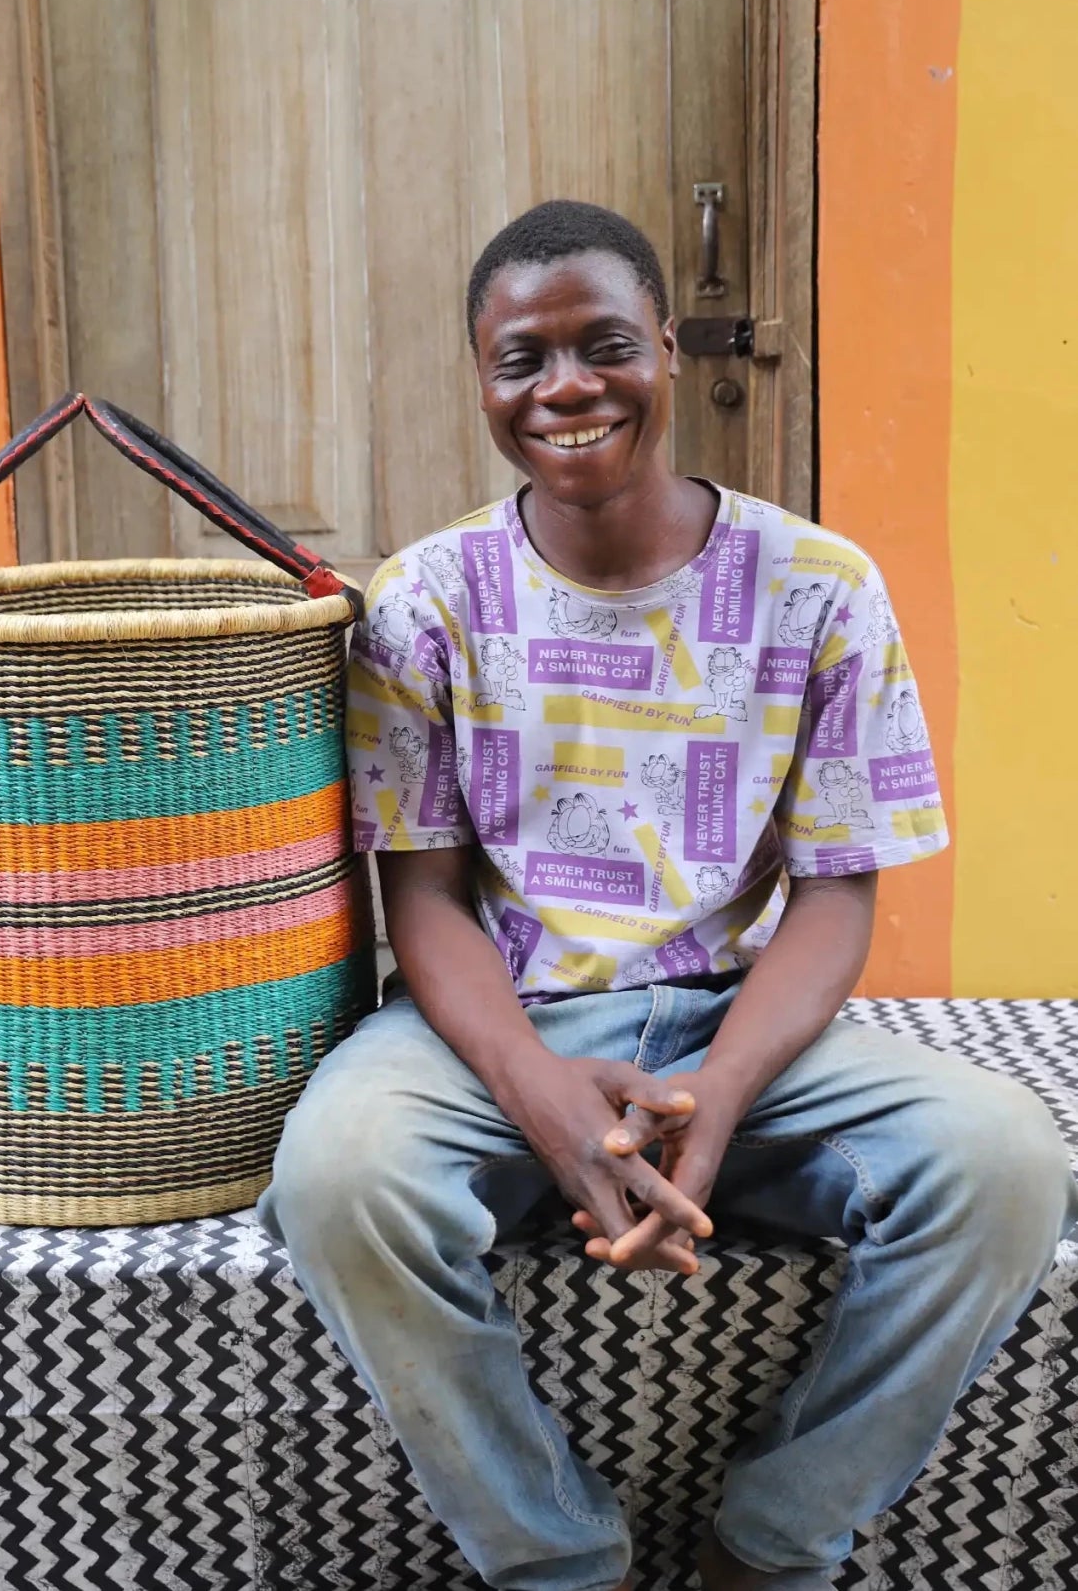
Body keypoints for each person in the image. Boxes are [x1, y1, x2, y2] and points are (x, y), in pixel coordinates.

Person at [258, 200, 1076, 1591]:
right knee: (337, 1178)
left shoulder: (818, 587)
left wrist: (719, 1109)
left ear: (668, 354)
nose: (565, 387)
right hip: (499, 1022)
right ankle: (554, 1556)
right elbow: (428, 901)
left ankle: (772, 1542)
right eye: (521, 360)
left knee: (1005, 1162)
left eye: (602, 345)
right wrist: (541, 1097)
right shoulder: (424, 599)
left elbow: (831, 892)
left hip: (732, 1023)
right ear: (480, 380)